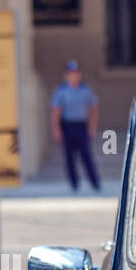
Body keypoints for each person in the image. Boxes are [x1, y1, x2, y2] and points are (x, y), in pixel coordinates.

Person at [50, 60, 100, 192]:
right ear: (67, 75)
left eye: (76, 73)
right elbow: (56, 111)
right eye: (71, 73)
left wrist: (92, 127)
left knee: (86, 156)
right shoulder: (61, 91)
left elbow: (93, 108)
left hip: (81, 126)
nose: (73, 76)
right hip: (67, 126)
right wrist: (56, 129)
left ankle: (95, 183)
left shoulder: (85, 90)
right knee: (69, 157)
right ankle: (74, 184)